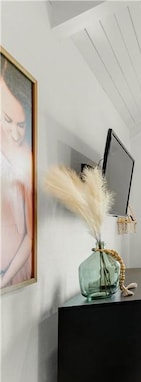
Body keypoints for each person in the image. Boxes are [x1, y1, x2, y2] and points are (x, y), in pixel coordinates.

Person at [1, 53, 34, 288]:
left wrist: (4, 279)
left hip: (10, 273)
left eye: (21, 125)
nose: (14, 133)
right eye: (7, 120)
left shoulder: (25, 162)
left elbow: (28, 235)